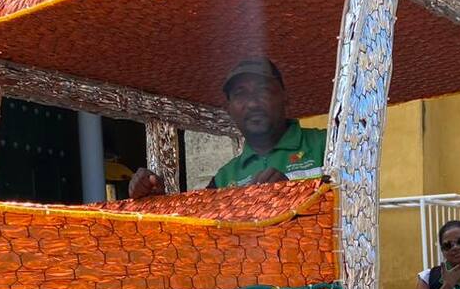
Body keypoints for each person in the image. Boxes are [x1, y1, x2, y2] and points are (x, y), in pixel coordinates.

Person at [129, 59, 326, 198]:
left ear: (284, 96)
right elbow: (201, 234)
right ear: (229, 109)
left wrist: (297, 195)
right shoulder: (224, 178)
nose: (252, 103)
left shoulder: (327, 145)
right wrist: (156, 201)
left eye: (263, 89)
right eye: (240, 94)